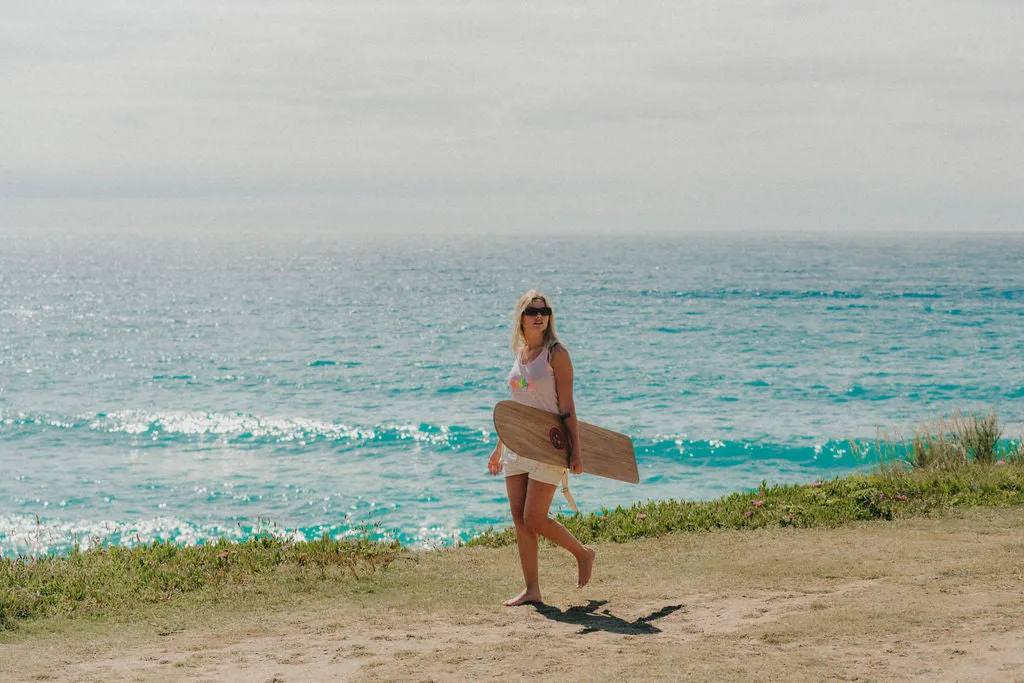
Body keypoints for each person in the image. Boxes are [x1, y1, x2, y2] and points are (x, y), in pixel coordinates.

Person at [488, 290, 596, 606]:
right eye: (532, 310)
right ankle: (532, 589)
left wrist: (575, 451)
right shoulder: (520, 353)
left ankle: (583, 553)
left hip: (549, 446)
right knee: (520, 520)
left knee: (534, 518)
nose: (539, 316)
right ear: (521, 316)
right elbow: (517, 407)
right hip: (516, 447)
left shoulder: (556, 354)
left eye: (544, 310)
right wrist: (499, 445)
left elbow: (567, 405)